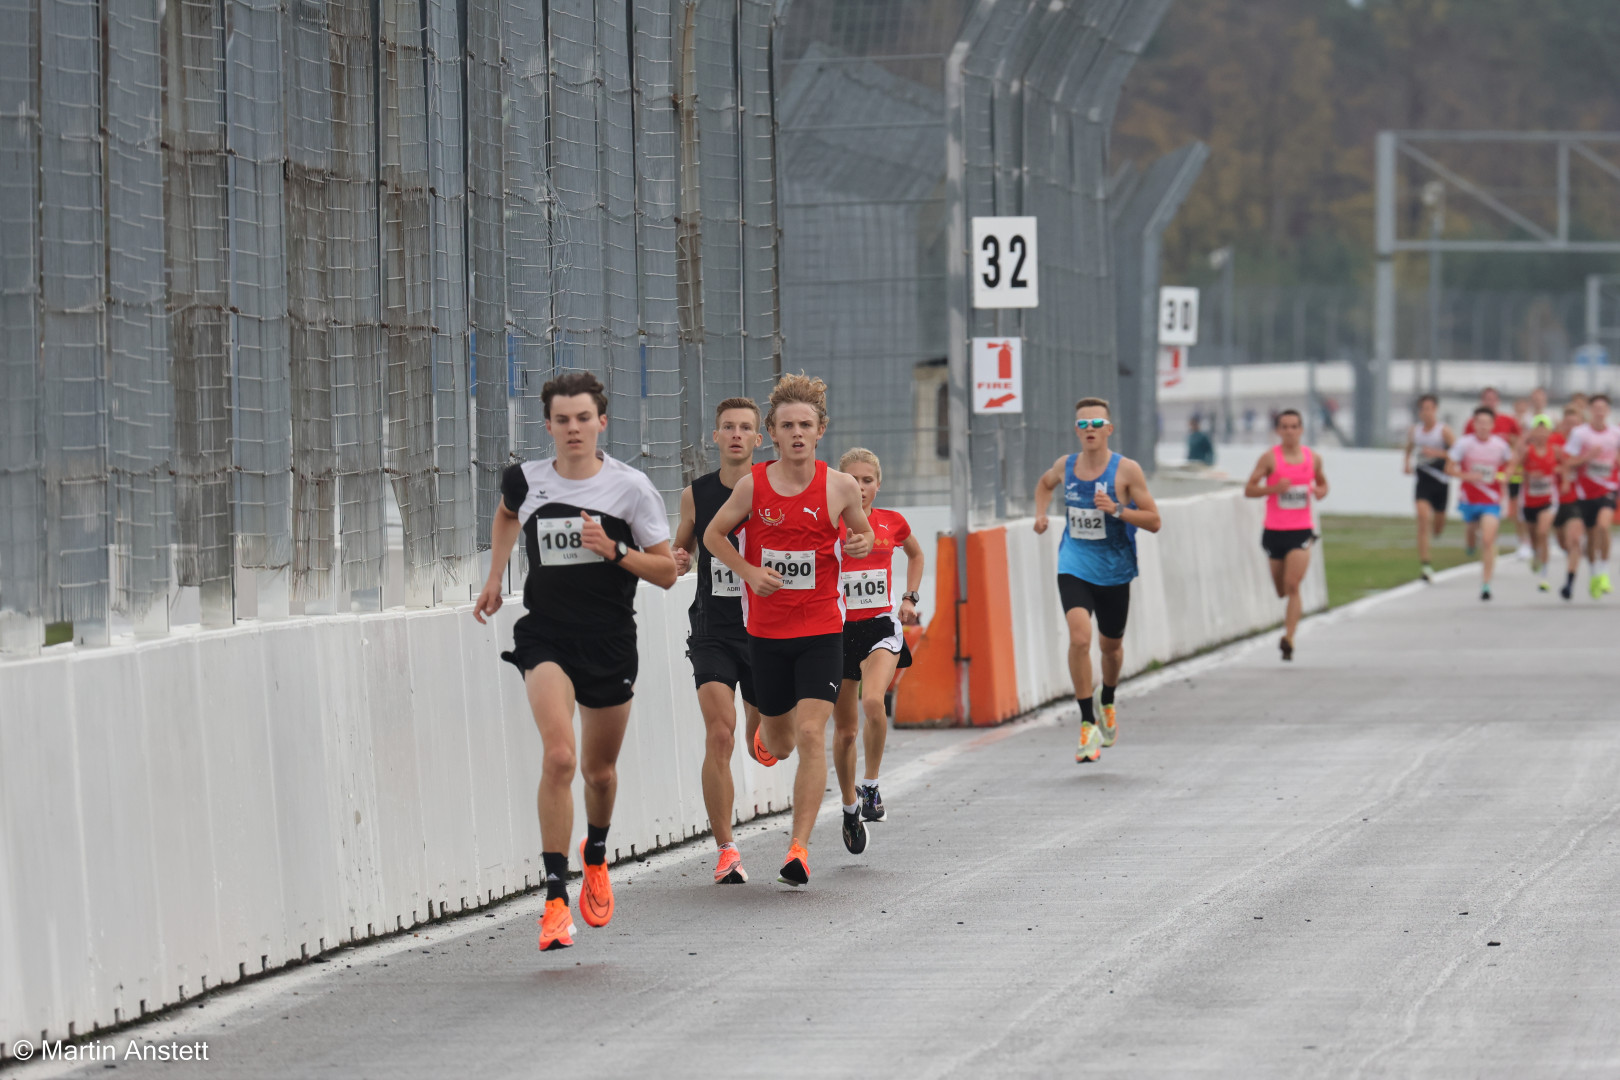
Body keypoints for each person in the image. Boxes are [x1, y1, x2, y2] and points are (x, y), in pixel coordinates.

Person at [473, 371, 678, 952]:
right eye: (562, 420)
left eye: (583, 418)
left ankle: (596, 853)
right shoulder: (527, 479)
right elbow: (508, 513)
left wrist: (614, 551)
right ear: (547, 426)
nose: (573, 429)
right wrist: (495, 578)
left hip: (609, 640)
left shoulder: (631, 488)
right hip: (547, 637)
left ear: (602, 422)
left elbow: (666, 572)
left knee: (599, 773)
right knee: (559, 757)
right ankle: (554, 897)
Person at [703, 374, 874, 887]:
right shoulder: (754, 485)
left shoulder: (840, 486)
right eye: (786, 426)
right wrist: (750, 572)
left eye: (805, 425)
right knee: (779, 743)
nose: (797, 433)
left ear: (820, 430)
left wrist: (861, 543)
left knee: (810, 734)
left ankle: (798, 849)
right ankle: (766, 735)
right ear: (771, 435)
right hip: (768, 633)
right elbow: (714, 534)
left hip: (822, 628)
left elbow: (862, 534)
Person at [1033, 397, 1162, 764]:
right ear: (1076, 430)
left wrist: (1118, 510)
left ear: (1109, 429)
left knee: (1110, 648)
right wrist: (1041, 515)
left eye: (1096, 425)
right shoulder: (1066, 466)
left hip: (1115, 570)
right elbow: (1044, 485)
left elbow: (1154, 521)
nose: (1089, 431)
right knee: (1079, 637)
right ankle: (1087, 722)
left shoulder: (1127, 471)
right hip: (1073, 562)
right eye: (1082, 425)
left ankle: (1107, 698)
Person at [671, 397, 765, 885]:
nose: (735, 435)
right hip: (712, 628)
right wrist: (678, 558)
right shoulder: (697, 494)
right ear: (715, 436)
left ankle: (764, 726)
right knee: (719, 733)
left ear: (757, 439)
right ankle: (726, 848)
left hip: (765, 627)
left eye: (744, 428)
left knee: (759, 736)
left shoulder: (774, 489)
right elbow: (681, 545)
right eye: (727, 426)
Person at [831, 448, 924, 833]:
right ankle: (849, 804)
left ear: (878, 485)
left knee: (872, 700)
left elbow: (916, 555)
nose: (861, 487)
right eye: (852, 480)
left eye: (867, 480)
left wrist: (909, 598)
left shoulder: (891, 522)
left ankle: (870, 786)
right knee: (846, 731)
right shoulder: (828, 524)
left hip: (881, 627)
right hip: (836, 631)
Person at [1244, 410, 1329, 660]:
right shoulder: (1270, 459)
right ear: (1278, 431)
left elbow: (1323, 483)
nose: (1290, 431)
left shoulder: (1313, 458)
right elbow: (1249, 489)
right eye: (1285, 427)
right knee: (1281, 589)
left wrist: (1320, 491)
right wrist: (1273, 488)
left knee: (1293, 586)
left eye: (1294, 426)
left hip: (1301, 531)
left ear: (1301, 429)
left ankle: (1288, 638)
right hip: (1274, 531)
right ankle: (1289, 632)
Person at [1446, 406, 1514, 602]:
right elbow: (1449, 468)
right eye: (1479, 423)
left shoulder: (1500, 445)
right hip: (1469, 500)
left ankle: (1486, 584)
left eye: (1487, 423)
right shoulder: (1464, 444)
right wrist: (1467, 476)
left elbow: (1511, 463)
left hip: (1491, 500)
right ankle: (1469, 544)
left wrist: (1505, 477)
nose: (1483, 427)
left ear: (1493, 425)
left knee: (1487, 540)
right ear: (1474, 424)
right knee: (1471, 535)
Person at [1562, 393, 1620, 598]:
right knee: (1590, 538)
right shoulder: (1580, 434)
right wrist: (1587, 457)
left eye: (1603, 408)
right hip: (1584, 493)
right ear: (1590, 411)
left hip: (1608, 488)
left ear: (1608, 411)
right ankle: (1595, 573)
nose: (1599, 412)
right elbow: (1567, 462)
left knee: (1604, 526)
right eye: (1596, 408)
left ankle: (1604, 571)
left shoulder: (1615, 433)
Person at [1402, 394, 1453, 583]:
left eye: (1429, 409)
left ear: (1435, 410)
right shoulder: (1415, 431)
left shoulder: (1443, 431)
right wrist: (1406, 463)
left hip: (1441, 481)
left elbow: (1457, 451)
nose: (1426, 413)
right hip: (1423, 480)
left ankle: (1437, 532)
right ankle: (1425, 564)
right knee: (1423, 520)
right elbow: (1408, 448)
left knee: (1437, 525)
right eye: (1423, 409)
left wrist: (1438, 453)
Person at [1468, 387, 1521, 558]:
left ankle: (1491, 542)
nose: (1490, 402)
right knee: (1474, 521)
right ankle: (1474, 538)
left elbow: (1519, 444)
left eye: (1493, 399)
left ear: (1497, 401)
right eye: (1486, 399)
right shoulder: (1471, 423)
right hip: (1476, 480)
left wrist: (1509, 470)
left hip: (1497, 477)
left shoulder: (1508, 421)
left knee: (1496, 513)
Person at [1514, 413, 1559, 592]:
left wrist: (1562, 477)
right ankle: (1535, 553)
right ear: (1533, 432)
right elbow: (1516, 465)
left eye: (1544, 430)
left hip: (1548, 500)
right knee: (1534, 537)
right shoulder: (1527, 451)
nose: (1541, 433)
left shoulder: (1555, 450)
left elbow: (1566, 465)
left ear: (1549, 432)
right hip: (1529, 501)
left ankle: (1544, 576)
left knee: (1543, 532)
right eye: (1537, 430)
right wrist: (1523, 475)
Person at [1552, 405, 1584, 600]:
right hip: (1555, 499)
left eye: (1576, 424)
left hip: (1576, 499)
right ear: (1563, 424)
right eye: (1568, 423)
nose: (1572, 428)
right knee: (1563, 542)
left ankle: (1569, 583)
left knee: (1574, 540)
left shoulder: (1585, 443)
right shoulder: (1554, 441)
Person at [1509, 397, 1536, 560]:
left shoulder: (1533, 424)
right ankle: (1523, 542)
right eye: (1518, 405)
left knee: (1530, 509)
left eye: (1523, 405)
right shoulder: (1510, 423)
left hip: (1531, 474)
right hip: (1515, 472)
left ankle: (1534, 540)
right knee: (1516, 509)